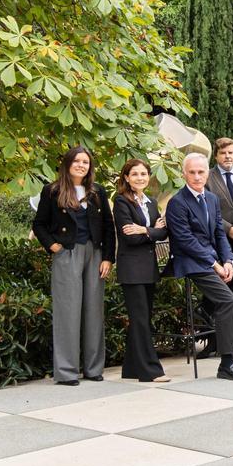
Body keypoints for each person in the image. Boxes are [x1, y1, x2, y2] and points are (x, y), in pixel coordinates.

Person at [166, 153, 233, 381]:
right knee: (228, 301)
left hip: (216, 260)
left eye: (201, 172)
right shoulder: (177, 203)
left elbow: (220, 234)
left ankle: (209, 307)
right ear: (184, 174)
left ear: (207, 173)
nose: (197, 177)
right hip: (192, 261)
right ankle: (227, 363)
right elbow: (186, 241)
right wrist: (215, 265)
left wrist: (228, 260)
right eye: (192, 172)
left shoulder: (211, 199)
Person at [32, 145, 116, 386]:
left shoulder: (97, 191)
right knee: (67, 312)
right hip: (67, 253)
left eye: (86, 162)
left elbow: (108, 227)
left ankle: (93, 368)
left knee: (93, 311)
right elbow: (39, 224)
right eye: (77, 161)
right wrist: (53, 246)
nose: (81, 165)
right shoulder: (52, 191)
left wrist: (108, 258)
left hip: (95, 254)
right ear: (68, 164)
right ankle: (67, 371)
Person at [113, 159, 169, 383]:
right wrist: (150, 231)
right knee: (140, 319)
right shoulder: (120, 202)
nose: (140, 178)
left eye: (144, 174)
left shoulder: (152, 203)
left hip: (148, 268)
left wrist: (145, 230)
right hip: (132, 269)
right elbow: (131, 237)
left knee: (142, 318)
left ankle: (131, 369)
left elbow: (163, 234)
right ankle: (150, 371)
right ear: (126, 177)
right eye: (134, 174)